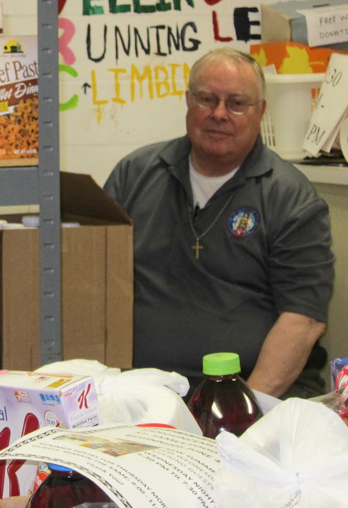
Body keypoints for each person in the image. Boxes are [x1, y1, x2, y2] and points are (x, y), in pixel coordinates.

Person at [103, 48, 334, 398]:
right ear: (187, 102)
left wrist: (242, 410)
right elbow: (95, 285)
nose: (219, 114)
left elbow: (303, 320)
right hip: (144, 393)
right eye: (207, 99)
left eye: (237, 103)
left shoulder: (290, 197)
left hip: (252, 394)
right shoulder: (134, 176)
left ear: (261, 112)